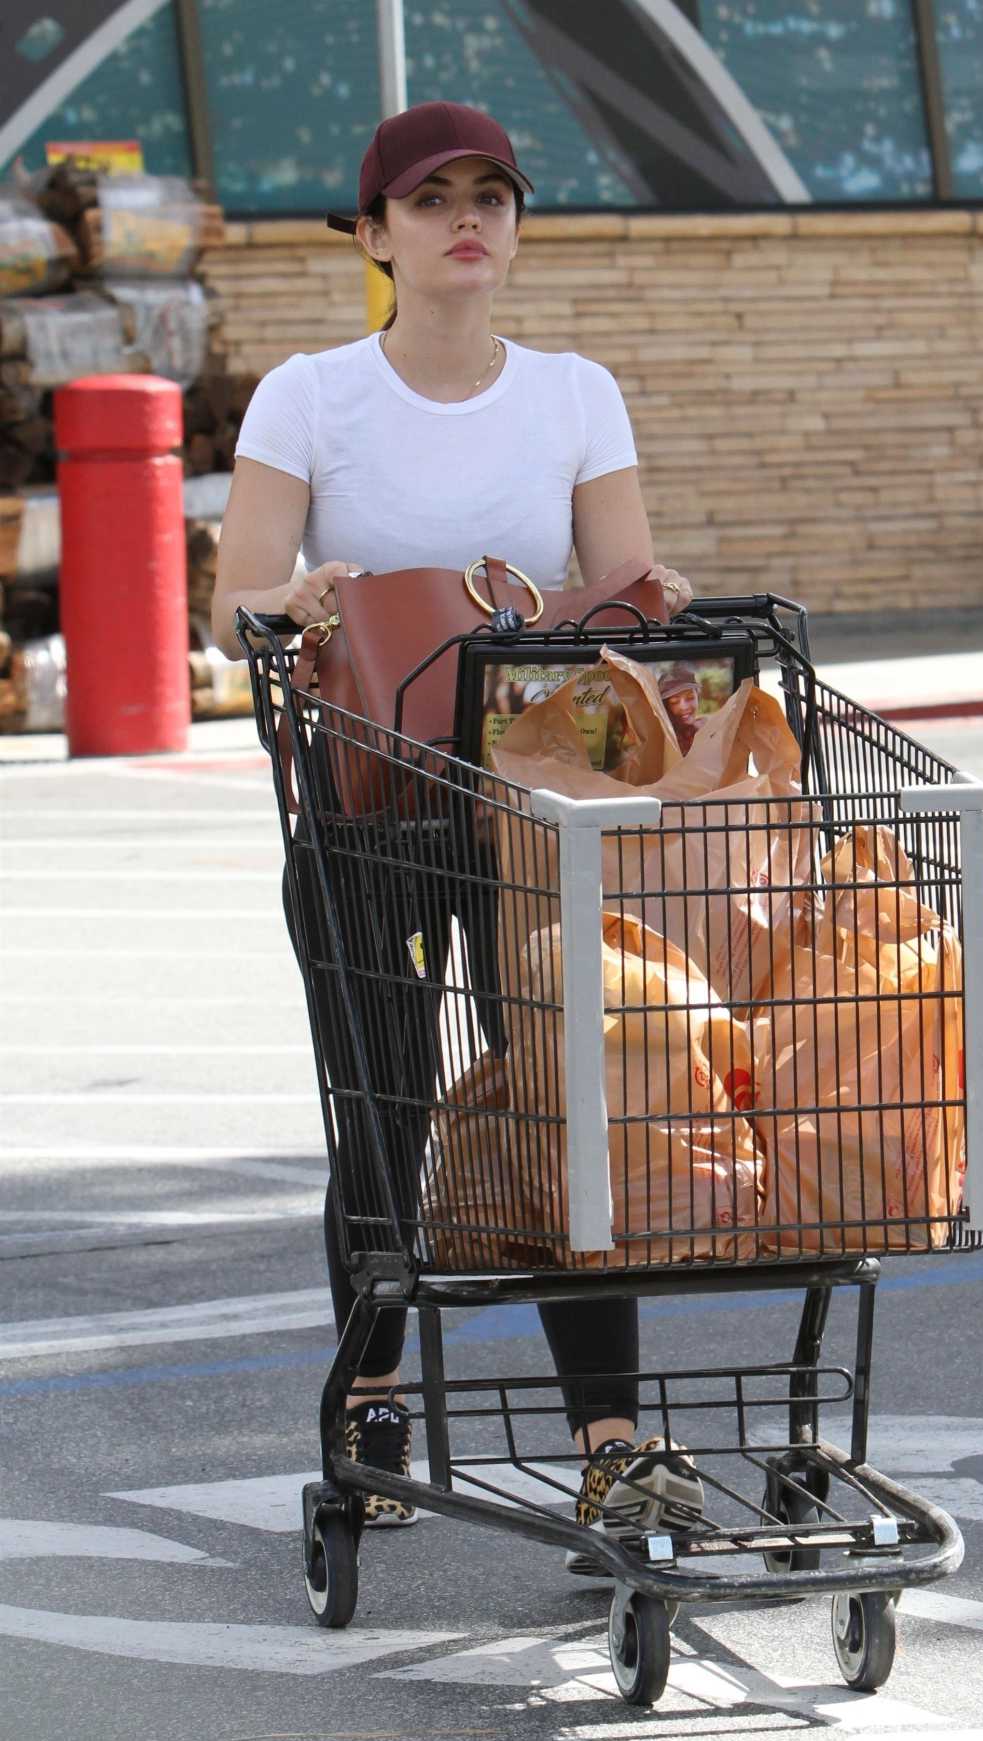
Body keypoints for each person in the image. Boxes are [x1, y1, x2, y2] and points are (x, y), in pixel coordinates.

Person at [211, 101, 703, 1566]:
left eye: (490, 195)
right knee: (388, 1103)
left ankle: (607, 1442)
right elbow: (234, 598)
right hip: (368, 792)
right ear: (375, 237)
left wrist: (645, 595)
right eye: (429, 202)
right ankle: (371, 1396)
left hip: (526, 801)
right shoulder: (310, 396)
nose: (464, 221)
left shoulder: (570, 392)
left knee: (564, 1095)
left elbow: (616, 593)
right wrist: (289, 605)